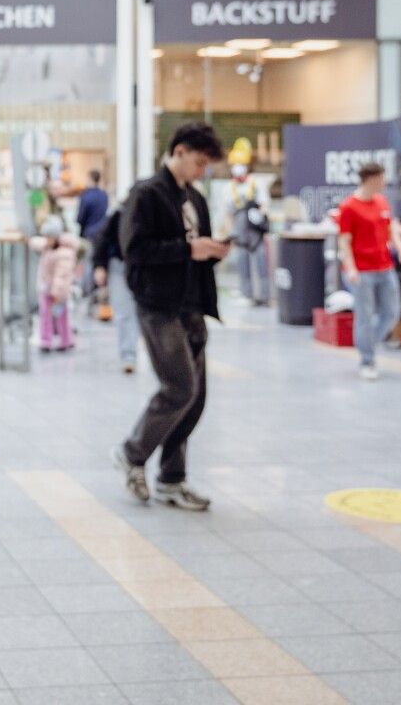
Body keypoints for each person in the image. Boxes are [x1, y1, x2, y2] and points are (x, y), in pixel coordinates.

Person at [111, 122, 230, 510]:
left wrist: (212, 252)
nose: (202, 171)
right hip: (159, 306)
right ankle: (132, 453)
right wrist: (188, 250)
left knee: (195, 399)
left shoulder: (194, 198)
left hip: (192, 306)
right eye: (199, 162)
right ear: (179, 151)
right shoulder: (147, 194)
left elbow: (195, 251)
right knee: (179, 388)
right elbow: (134, 251)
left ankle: (172, 479)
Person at [338, 162, 401, 380]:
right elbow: (344, 241)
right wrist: (351, 268)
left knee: (392, 311)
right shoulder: (349, 207)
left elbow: (391, 230)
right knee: (365, 316)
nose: (384, 182)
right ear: (371, 179)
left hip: (384, 267)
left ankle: (367, 343)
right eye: (381, 178)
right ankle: (367, 359)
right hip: (362, 271)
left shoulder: (381, 202)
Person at [92, 207, 139, 373]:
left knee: (143, 313)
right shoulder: (119, 214)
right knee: (123, 312)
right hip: (119, 265)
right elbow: (103, 239)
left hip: (144, 267)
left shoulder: (154, 213)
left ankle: (134, 352)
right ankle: (128, 355)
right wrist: (100, 265)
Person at [29, 217, 79, 352]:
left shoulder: (64, 252)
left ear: (56, 237)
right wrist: (27, 239)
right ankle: (46, 341)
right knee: (45, 315)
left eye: (49, 237)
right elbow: (36, 242)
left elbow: (62, 276)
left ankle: (66, 340)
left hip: (59, 292)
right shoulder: (48, 246)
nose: (47, 240)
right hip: (46, 288)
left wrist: (57, 293)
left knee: (62, 316)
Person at [228, 161, 270, 306]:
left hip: (255, 231)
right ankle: (247, 294)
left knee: (261, 262)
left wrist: (260, 217)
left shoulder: (256, 184)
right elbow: (228, 213)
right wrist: (230, 233)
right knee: (242, 264)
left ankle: (265, 295)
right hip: (239, 232)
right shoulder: (229, 188)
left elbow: (264, 204)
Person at [76, 169, 110, 241]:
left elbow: (80, 218)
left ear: (89, 179)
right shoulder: (104, 195)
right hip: (101, 232)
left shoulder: (85, 196)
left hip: (88, 233)